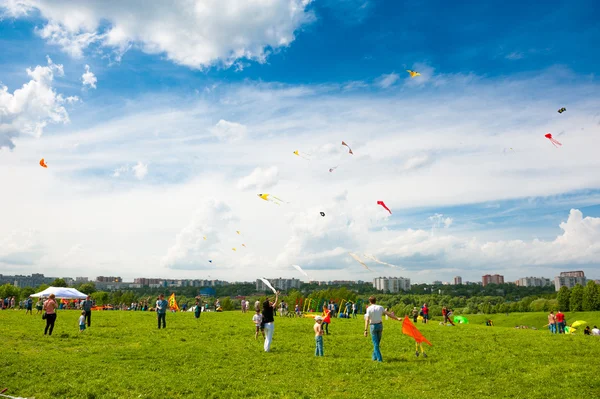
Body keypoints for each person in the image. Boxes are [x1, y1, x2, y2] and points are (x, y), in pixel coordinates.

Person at [363, 296, 402, 362]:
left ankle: (379, 359)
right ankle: (374, 358)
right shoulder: (380, 307)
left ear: (370, 302)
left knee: (375, 343)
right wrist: (397, 318)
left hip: (373, 326)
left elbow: (367, 319)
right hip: (380, 326)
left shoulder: (369, 309)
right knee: (377, 343)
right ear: (376, 300)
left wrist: (365, 330)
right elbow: (388, 314)